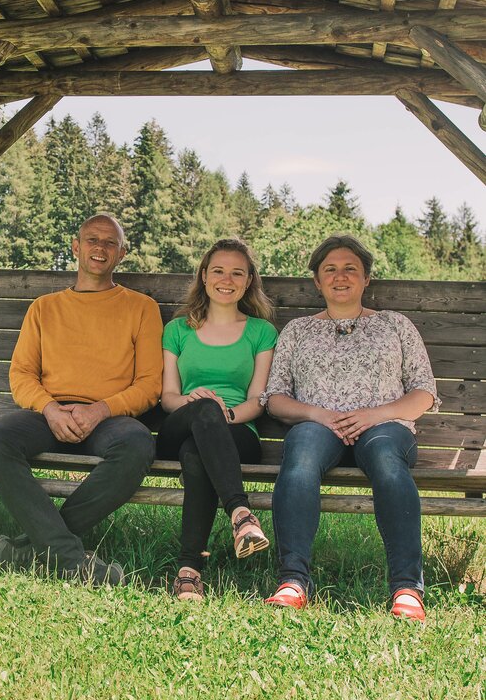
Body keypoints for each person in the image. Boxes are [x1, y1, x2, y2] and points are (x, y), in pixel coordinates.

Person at [261, 234, 439, 622]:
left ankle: (407, 588)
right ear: (316, 281)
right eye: (330, 270)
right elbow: (275, 398)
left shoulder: (395, 325)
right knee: (302, 450)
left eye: (350, 269)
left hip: (384, 427)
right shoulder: (298, 331)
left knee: (386, 457)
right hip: (318, 426)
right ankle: (293, 581)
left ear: (366, 280)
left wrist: (374, 414)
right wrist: (319, 415)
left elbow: (424, 392)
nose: (340, 277)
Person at [0, 213, 162, 585]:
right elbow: (22, 375)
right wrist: (49, 409)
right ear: (76, 247)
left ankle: (31, 550)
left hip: (108, 417)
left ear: (122, 253)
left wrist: (98, 411)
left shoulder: (141, 308)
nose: (100, 248)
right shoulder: (44, 308)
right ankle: (70, 559)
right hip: (50, 412)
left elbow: (148, 385)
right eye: (92, 240)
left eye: (110, 242)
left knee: (138, 445)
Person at [156, 239, 277, 600]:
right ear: (204, 276)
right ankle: (241, 513)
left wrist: (225, 415)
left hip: (238, 432)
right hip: (179, 424)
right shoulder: (178, 330)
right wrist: (199, 406)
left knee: (198, 453)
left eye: (237, 272)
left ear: (249, 280)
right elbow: (167, 398)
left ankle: (189, 570)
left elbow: (258, 400)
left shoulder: (261, 332)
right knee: (203, 413)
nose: (227, 279)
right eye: (219, 271)